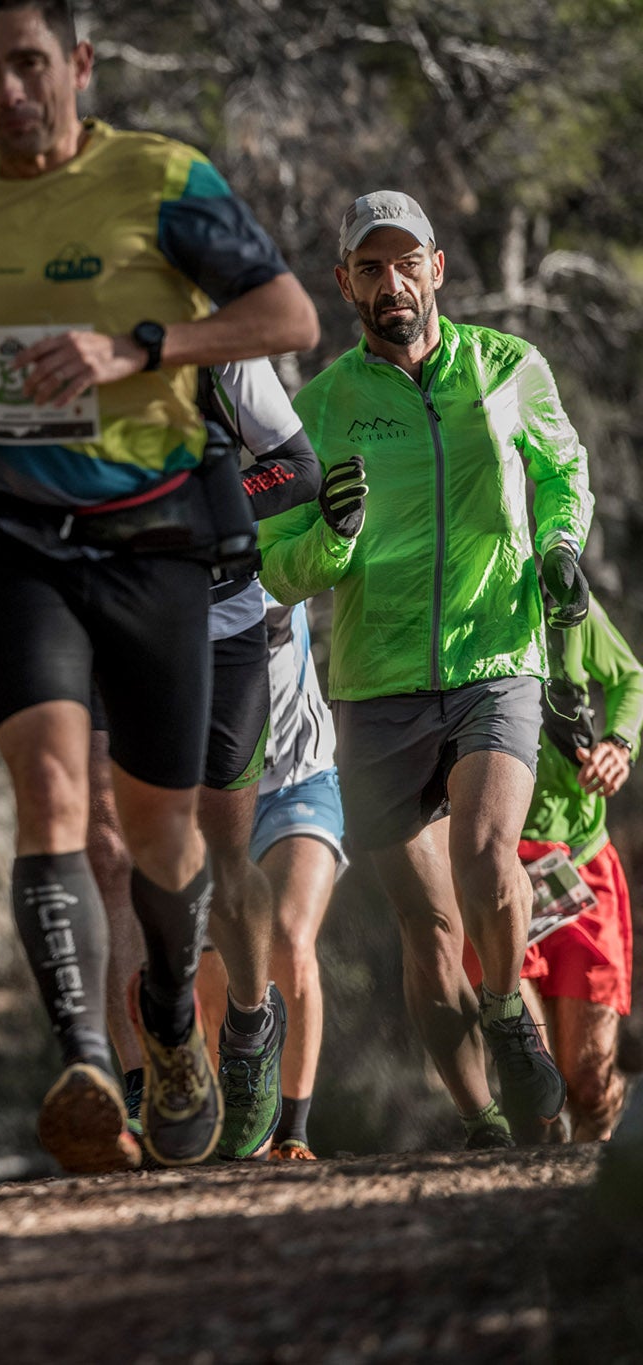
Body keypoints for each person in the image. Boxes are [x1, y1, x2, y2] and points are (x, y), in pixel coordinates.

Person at [0, 0, 320, 1172]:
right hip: (17, 534)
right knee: (46, 791)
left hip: (157, 535)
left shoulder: (161, 178)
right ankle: (86, 1062)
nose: (9, 92)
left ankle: (168, 1024)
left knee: (159, 834)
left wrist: (136, 349)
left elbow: (282, 313)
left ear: (77, 65)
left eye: (29, 64)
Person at [261, 189, 593, 1148]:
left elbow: (564, 465)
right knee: (427, 927)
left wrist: (561, 546)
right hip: (376, 680)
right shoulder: (319, 408)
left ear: (438, 269)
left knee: (488, 856)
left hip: (496, 654)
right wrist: (332, 538)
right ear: (344, 285)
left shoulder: (506, 368)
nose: (391, 282)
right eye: (371, 267)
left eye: (408, 262)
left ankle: (509, 1014)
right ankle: (480, 1116)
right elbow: (272, 560)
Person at [85, 359, 321, 1162]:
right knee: (118, 851)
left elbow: (298, 467)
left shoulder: (219, 345)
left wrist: (197, 510)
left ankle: (251, 1026)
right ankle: (151, 1078)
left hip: (224, 627)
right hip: (112, 626)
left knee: (224, 857)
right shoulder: (45, 344)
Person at [174, 595, 348, 1160]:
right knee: (210, 970)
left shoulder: (275, 523)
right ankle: (227, 1123)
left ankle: (293, 1131)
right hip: (208, 797)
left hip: (300, 777)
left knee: (289, 937)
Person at [463, 600, 639, 1142]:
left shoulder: (566, 596)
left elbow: (630, 676)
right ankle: (536, 1208)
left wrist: (620, 743)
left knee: (588, 1081)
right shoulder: (460, 599)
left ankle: (602, 1195)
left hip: (580, 863)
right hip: (497, 868)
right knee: (535, 1093)